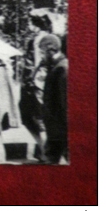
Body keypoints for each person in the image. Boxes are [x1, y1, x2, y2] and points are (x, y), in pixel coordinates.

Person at [18, 13, 52, 161]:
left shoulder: (39, 39)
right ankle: (42, 151)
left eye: (30, 23)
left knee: (32, 117)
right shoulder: (48, 37)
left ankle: (45, 151)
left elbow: (39, 62)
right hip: (42, 83)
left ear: (35, 24)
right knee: (37, 118)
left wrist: (31, 79)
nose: (28, 26)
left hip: (37, 84)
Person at [38, 33, 68, 164]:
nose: (40, 56)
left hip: (60, 131)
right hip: (55, 130)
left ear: (51, 50)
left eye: (42, 52)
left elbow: (65, 103)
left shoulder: (62, 68)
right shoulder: (55, 67)